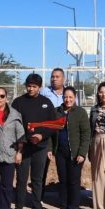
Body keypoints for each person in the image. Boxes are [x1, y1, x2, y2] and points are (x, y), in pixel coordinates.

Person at [10, 73, 57, 209]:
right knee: (21, 180)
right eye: (29, 86)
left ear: (40, 87)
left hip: (40, 148)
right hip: (23, 148)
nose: (31, 89)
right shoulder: (18, 102)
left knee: (37, 180)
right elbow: (13, 125)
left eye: (34, 86)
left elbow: (53, 125)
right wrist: (20, 144)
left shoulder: (46, 102)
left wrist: (42, 136)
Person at [50, 86, 90, 209]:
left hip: (75, 153)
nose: (68, 100)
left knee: (73, 181)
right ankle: (63, 207)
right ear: (62, 98)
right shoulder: (57, 112)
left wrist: (82, 153)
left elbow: (86, 134)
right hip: (60, 152)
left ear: (75, 98)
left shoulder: (80, 112)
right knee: (63, 181)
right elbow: (51, 132)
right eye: (65, 97)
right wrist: (50, 149)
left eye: (70, 97)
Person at [39, 68, 68, 198]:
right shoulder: (44, 92)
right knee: (42, 168)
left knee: (64, 169)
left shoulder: (68, 93)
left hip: (64, 134)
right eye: (52, 76)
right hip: (47, 133)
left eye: (57, 76)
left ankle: (65, 198)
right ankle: (39, 197)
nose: (54, 79)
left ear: (63, 79)